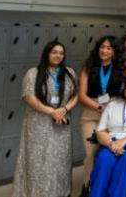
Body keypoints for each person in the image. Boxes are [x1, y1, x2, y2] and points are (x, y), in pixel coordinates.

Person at [12, 41, 78, 197]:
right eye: (54, 52)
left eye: (61, 53)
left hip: (61, 124)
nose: (58, 56)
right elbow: (29, 97)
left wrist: (64, 109)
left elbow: (76, 95)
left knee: (59, 162)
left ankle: (59, 193)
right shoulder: (33, 73)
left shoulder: (69, 73)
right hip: (38, 125)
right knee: (38, 162)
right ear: (47, 53)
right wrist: (51, 111)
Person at [78, 36, 125, 191]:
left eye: (109, 48)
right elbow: (82, 95)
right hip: (91, 114)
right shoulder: (88, 67)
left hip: (114, 117)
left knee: (108, 153)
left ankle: (106, 187)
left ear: (114, 51)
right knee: (91, 153)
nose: (104, 50)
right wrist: (99, 108)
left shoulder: (122, 68)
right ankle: (89, 187)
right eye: (102, 47)